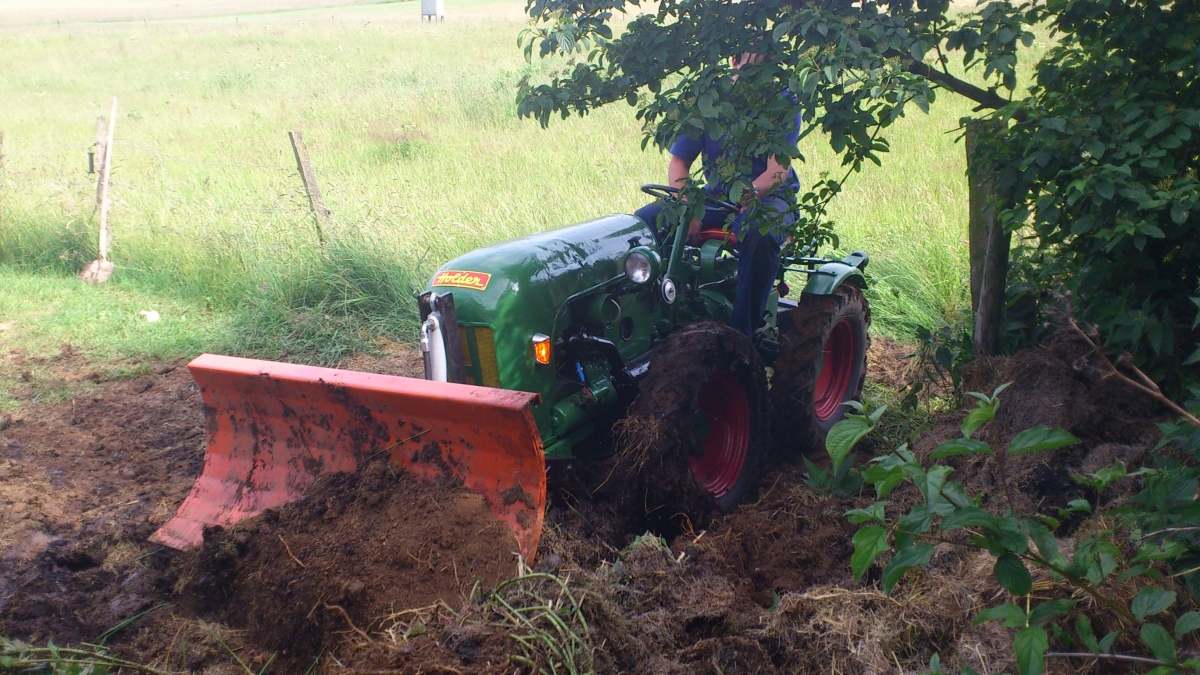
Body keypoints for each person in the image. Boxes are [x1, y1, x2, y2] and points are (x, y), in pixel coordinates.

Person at [634, 52, 802, 340]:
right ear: (735, 60)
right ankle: (653, 318)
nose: (758, 76)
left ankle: (742, 337)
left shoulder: (784, 102)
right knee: (645, 221)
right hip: (716, 198)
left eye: (765, 66)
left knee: (758, 231)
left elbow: (778, 171)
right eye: (752, 66)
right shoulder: (709, 100)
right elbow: (679, 163)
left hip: (768, 198)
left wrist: (750, 193)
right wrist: (688, 206)